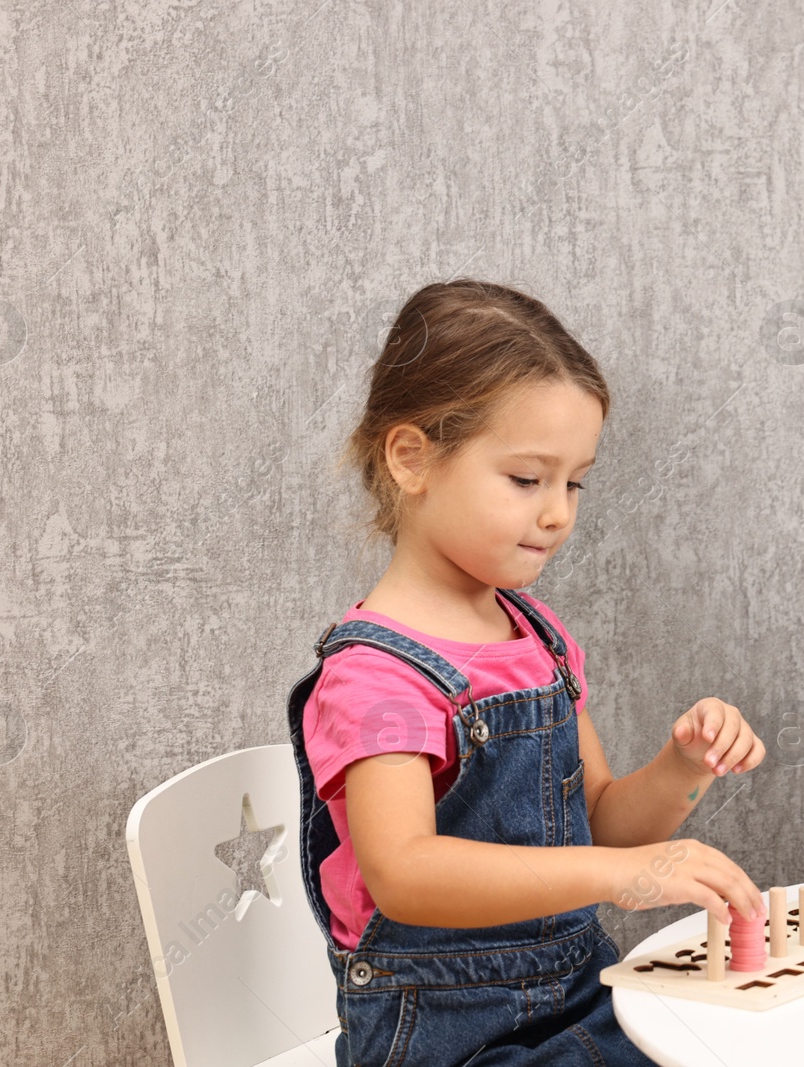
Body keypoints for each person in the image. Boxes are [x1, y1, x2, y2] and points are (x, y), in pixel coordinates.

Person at [286, 278, 767, 1066]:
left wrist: (685, 765)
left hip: (579, 998)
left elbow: (604, 821)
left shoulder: (536, 639)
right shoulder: (375, 672)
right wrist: (625, 874)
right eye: (526, 479)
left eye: (574, 481)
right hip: (447, 1035)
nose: (559, 513)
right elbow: (406, 871)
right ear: (412, 459)